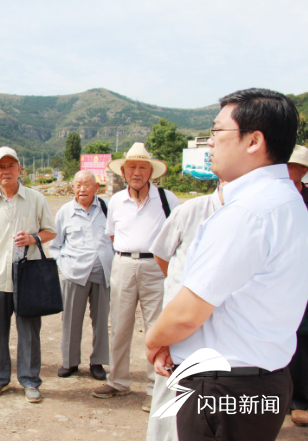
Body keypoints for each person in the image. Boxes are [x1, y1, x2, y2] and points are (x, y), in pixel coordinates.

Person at [145, 88, 308, 441]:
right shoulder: (286, 200)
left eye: (217, 132)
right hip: (261, 378)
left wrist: (155, 341)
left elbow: (187, 313)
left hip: (225, 389)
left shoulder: (246, 212)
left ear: (254, 140)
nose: (209, 144)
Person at [92, 142, 178, 413]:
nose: (137, 172)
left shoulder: (167, 199)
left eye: (142, 167)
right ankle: (118, 381)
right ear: (124, 172)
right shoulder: (116, 200)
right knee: (119, 325)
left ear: (151, 171)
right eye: (132, 167)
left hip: (156, 267)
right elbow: (113, 236)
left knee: (156, 328)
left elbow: (176, 237)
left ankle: (156, 389)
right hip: (124, 264)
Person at [0, 146, 56, 404]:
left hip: (28, 279)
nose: (6, 170)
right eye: (0, 166)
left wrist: (34, 238)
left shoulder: (36, 199)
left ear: (20, 169)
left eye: (11, 165)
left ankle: (30, 381)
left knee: (29, 332)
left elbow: (50, 231)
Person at [146, 182, 226, 441]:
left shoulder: (253, 217)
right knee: (170, 393)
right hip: (181, 320)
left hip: (224, 329)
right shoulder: (191, 210)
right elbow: (162, 254)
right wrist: (183, 294)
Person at [48, 170, 113, 381]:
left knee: (101, 321)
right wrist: (63, 267)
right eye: (78, 184)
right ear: (73, 187)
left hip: (102, 273)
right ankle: (70, 362)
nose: (82, 188)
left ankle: (98, 362)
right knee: (70, 320)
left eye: (87, 184)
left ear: (96, 187)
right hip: (74, 274)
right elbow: (55, 245)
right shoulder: (65, 212)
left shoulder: (107, 208)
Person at [286, 144, 308, 427]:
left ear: (303, 171)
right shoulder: (269, 199)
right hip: (271, 281)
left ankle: (299, 401)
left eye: (291, 165)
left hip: (304, 280)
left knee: (301, 339)